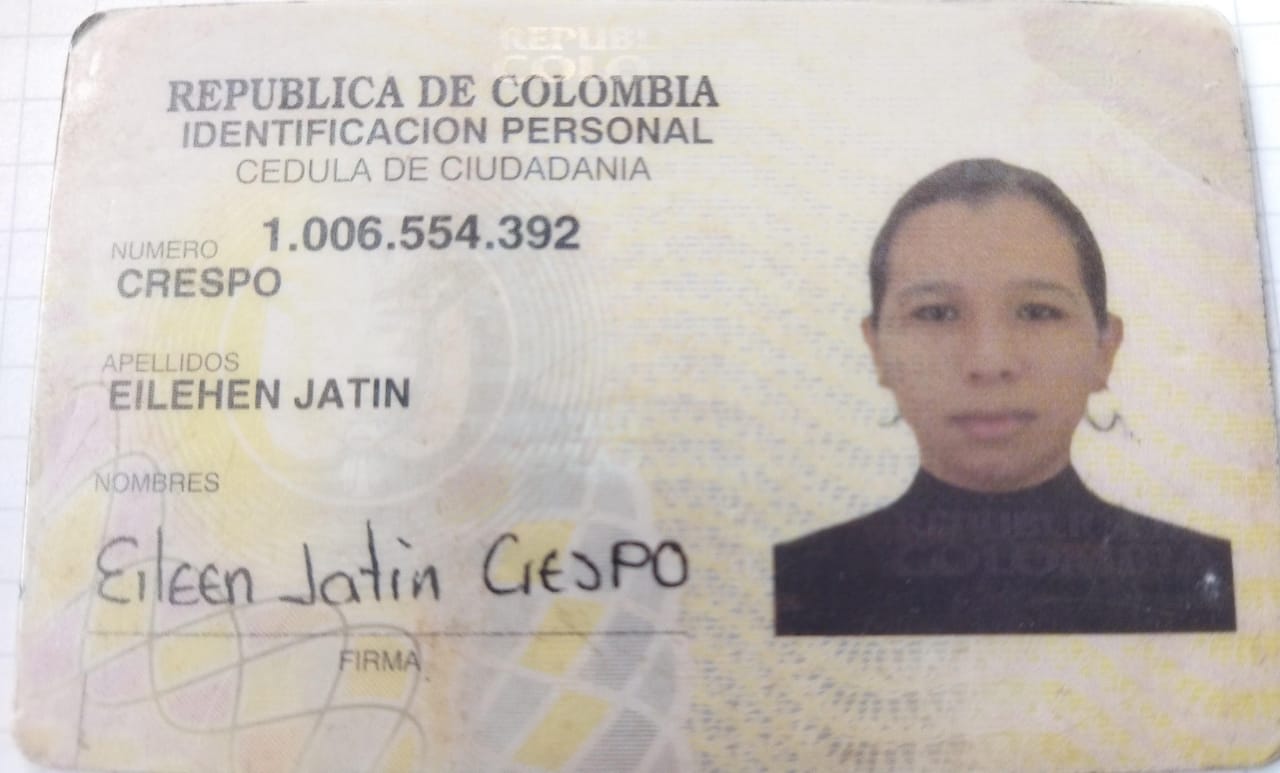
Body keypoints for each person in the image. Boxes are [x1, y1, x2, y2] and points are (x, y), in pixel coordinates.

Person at [774, 158, 1236, 636]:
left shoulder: (1201, 579)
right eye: (936, 313)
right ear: (878, 350)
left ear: (1104, 348)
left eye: (1037, 312)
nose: (989, 362)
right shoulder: (797, 585)